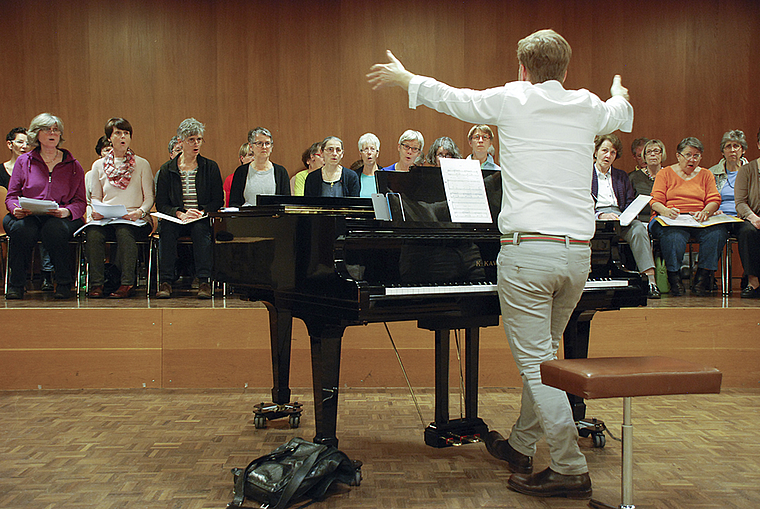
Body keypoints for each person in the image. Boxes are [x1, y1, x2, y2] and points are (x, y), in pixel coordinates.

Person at [368, 28, 633, 499]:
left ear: (522, 69)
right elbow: (622, 114)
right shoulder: (588, 105)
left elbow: (454, 98)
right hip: (577, 256)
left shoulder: (513, 99)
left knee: (537, 365)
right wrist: (618, 93)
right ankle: (521, 444)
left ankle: (570, 467)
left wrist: (406, 77)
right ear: (566, 70)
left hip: (528, 252)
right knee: (547, 354)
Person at [3, 113, 86, 300]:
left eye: (56, 130)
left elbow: (81, 202)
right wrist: (15, 208)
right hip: (28, 213)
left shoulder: (73, 165)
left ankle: (63, 283)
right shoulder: (24, 161)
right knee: (21, 229)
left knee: (53, 230)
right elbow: (12, 195)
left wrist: (67, 211)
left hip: (60, 215)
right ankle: (17, 284)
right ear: (36, 134)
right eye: (47, 129)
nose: (52, 133)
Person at [649, 137, 727, 297]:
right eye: (688, 155)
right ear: (678, 156)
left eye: (696, 155)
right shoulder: (665, 173)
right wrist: (665, 211)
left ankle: (702, 278)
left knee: (718, 233)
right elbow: (655, 201)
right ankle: (674, 278)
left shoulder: (706, 174)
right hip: (671, 218)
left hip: (699, 219)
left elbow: (714, 200)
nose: (692, 159)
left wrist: (705, 211)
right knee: (674, 236)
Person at [85, 118, 154, 299]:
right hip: (108, 218)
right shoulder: (98, 166)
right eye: (118, 133)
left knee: (124, 231)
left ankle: (127, 282)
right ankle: (97, 283)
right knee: (92, 233)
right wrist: (96, 210)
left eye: (126, 133)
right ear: (109, 138)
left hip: (135, 218)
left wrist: (139, 212)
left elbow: (149, 198)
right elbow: (95, 197)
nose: (123, 137)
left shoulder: (141, 164)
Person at [154, 118, 223, 299]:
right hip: (177, 217)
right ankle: (166, 282)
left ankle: (204, 281)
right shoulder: (167, 169)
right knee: (166, 230)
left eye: (199, 139)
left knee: (201, 231)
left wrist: (201, 211)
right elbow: (161, 203)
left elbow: (218, 199)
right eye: (191, 139)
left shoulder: (210, 167)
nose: (196, 144)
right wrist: (178, 213)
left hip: (199, 216)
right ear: (180, 141)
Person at [592, 134, 659, 298]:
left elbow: (628, 200)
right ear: (595, 152)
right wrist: (600, 215)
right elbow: (580, 201)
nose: (608, 156)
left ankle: (650, 281)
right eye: (605, 151)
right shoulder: (585, 174)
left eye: (613, 152)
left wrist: (629, 213)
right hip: (593, 216)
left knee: (638, 229)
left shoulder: (621, 176)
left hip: (619, 216)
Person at [228, 127, 289, 207]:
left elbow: (286, 203)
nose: (264, 147)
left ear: (271, 147)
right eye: (259, 143)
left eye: (267, 143)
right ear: (251, 146)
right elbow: (234, 203)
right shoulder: (241, 172)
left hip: (273, 218)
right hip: (247, 218)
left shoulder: (281, 172)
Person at [735, 128, 760, 298]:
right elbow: (740, 202)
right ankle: (753, 281)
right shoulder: (747, 170)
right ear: (758, 144)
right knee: (747, 232)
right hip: (752, 216)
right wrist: (754, 218)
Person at [709, 130, 748, 218]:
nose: (732, 150)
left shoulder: (752, 172)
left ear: (743, 150)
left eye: (736, 146)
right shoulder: (712, 173)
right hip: (719, 216)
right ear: (723, 152)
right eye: (728, 146)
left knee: (748, 231)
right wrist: (713, 211)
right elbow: (708, 199)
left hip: (745, 217)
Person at [628, 139, 666, 222]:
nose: (652, 154)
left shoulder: (669, 175)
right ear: (644, 156)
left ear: (662, 154)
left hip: (665, 218)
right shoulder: (633, 177)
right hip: (641, 220)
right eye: (649, 152)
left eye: (656, 151)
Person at [223, 143, 254, 207]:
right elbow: (228, 204)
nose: (253, 158)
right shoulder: (230, 179)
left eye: (255, 155)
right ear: (242, 158)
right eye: (250, 155)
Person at [354, 133, 382, 197]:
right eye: (366, 149)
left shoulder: (385, 175)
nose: (369, 153)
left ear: (377, 153)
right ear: (360, 153)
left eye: (372, 149)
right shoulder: (355, 176)